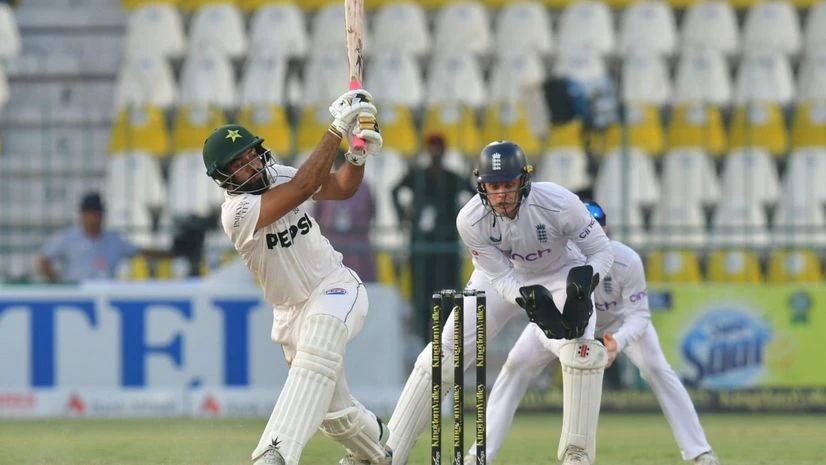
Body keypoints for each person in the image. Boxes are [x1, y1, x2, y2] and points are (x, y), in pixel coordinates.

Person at [385, 141, 614, 465]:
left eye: (508, 185)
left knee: (582, 352)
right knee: (443, 351)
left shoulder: (559, 202)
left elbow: (602, 249)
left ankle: (577, 456)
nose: (502, 195)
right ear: (481, 186)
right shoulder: (470, 220)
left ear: (524, 181)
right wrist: (528, 300)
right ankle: (389, 451)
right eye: (494, 187)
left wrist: (586, 280)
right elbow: (501, 277)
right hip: (503, 278)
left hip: (561, 271)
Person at [201, 89, 389, 465]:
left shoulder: (280, 174)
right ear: (223, 177)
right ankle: (377, 450)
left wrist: (357, 153)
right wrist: (337, 126)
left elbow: (343, 186)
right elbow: (303, 186)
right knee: (336, 419)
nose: (253, 163)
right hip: (289, 314)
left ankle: (275, 452)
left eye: (252, 152)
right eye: (239, 162)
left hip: (336, 285)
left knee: (319, 342)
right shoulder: (236, 213)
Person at [465, 200, 722, 465]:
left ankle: (699, 451)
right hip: (567, 329)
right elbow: (542, 314)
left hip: (618, 325)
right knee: (516, 365)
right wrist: (566, 347)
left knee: (657, 368)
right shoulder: (550, 263)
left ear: (605, 231)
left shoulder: (626, 261)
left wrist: (617, 343)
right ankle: (479, 454)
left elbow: (639, 315)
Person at [391, 132, 475, 337]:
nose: (435, 152)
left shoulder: (451, 177)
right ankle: (424, 336)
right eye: (432, 147)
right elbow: (394, 190)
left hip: (446, 244)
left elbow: (474, 194)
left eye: (438, 147)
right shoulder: (418, 174)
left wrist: (461, 217)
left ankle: (445, 336)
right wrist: (404, 216)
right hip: (421, 244)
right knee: (422, 293)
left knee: (447, 292)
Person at [37, 192, 145, 283]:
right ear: (82, 216)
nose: (94, 220)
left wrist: (161, 254)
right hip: (77, 295)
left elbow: (139, 252)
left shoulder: (113, 240)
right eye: (90, 215)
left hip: (104, 295)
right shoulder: (68, 238)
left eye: (97, 215)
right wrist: (60, 283)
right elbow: (44, 260)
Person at [314, 150, 377, 282]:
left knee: (360, 278)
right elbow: (317, 212)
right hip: (331, 238)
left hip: (357, 237)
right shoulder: (324, 185)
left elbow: (371, 211)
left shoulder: (363, 186)